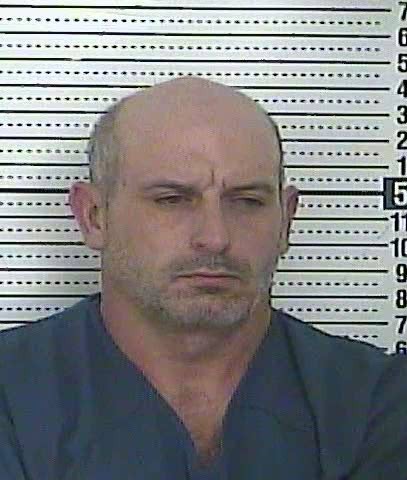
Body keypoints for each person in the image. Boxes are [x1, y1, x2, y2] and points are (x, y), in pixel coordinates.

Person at [0, 76, 406, 480]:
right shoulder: (11, 398)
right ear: (94, 216)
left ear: (286, 219)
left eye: (247, 201)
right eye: (172, 200)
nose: (215, 237)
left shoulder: (379, 403)